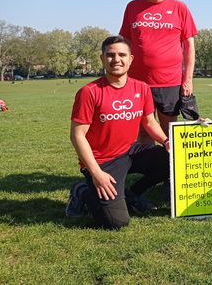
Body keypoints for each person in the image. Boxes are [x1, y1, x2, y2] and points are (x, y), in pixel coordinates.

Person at [66, 36, 170, 229]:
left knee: (172, 157)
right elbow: (77, 135)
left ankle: (132, 193)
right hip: (103, 160)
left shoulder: (141, 88)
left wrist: (166, 141)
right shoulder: (89, 92)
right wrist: (96, 172)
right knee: (116, 222)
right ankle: (82, 191)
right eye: (110, 55)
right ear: (102, 58)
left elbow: (149, 122)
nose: (116, 60)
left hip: (130, 151)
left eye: (122, 55)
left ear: (131, 59)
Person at [120, 0, 198, 142]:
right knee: (143, 130)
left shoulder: (180, 7)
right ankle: (149, 169)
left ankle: (170, 169)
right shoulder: (132, 7)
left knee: (170, 131)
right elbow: (124, 44)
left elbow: (189, 46)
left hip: (169, 82)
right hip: (137, 82)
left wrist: (187, 79)